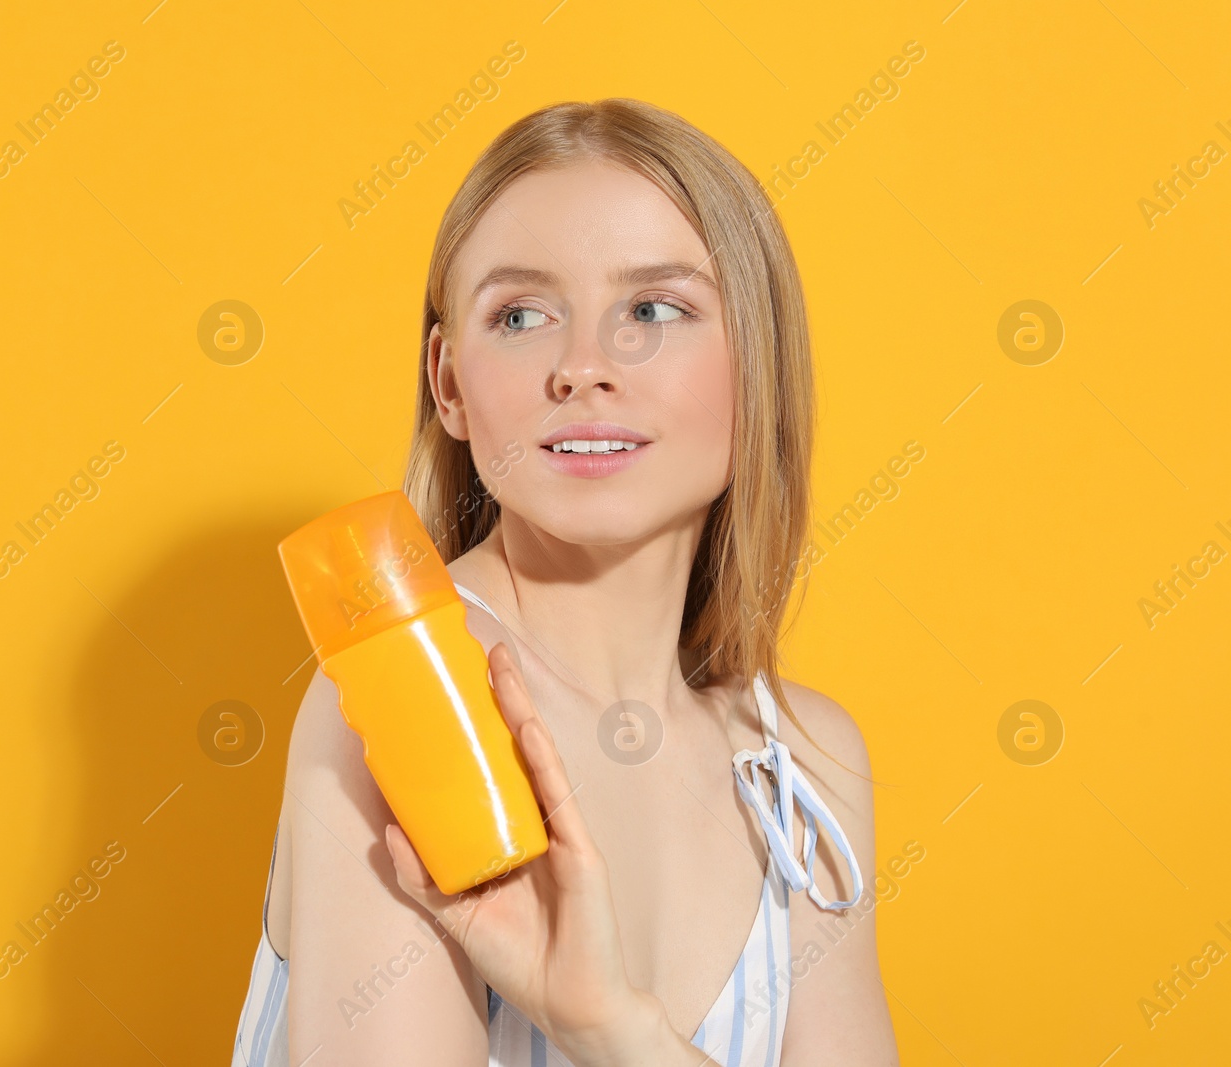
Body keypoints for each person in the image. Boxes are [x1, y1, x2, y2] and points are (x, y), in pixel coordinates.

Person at [233, 97, 899, 1066]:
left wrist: (610, 1029)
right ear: (450, 383)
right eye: (521, 315)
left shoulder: (801, 768)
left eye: (653, 308)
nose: (584, 366)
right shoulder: (404, 689)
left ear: (758, 363)